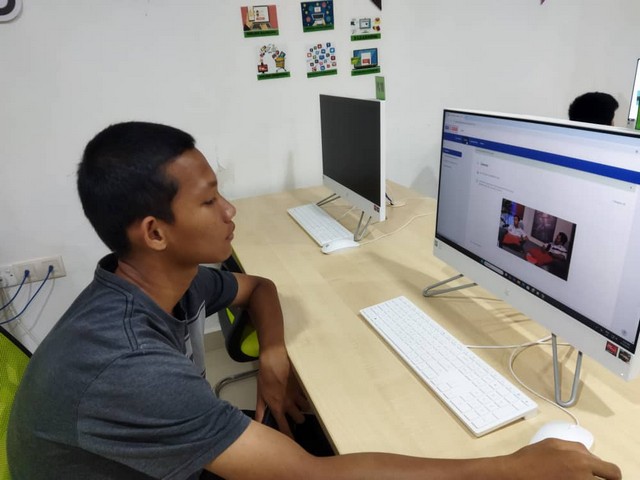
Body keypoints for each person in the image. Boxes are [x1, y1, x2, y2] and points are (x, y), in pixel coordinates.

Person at [7, 121, 622, 480]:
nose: (230, 210)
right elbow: (312, 477)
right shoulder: (130, 368)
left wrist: (273, 354)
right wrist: (512, 467)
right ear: (155, 232)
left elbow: (261, 287)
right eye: (209, 200)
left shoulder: (156, 281)